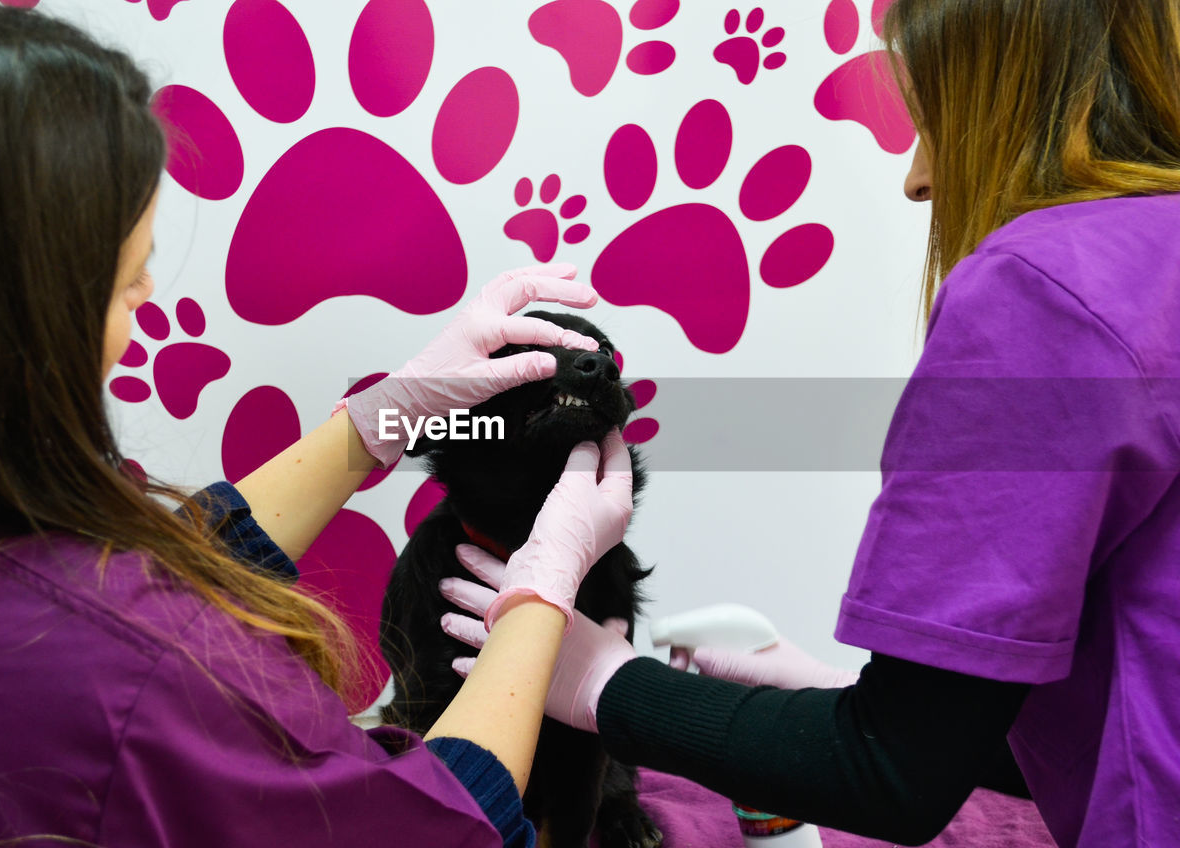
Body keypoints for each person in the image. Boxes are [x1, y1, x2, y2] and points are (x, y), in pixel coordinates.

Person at [439, 1, 1180, 846]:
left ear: (1000, 101)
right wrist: (826, 694)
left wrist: (602, 679)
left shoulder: (1043, 295)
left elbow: (890, 775)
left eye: (929, 120)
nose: (917, 179)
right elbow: (1127, 708)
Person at [0, 2, 633, 846]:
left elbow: (149, 579)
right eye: (129, 279)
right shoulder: (117, 667)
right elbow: (431, 827)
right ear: (8, 318)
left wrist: (375, 421)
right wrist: (542, 591)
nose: (143, 306)